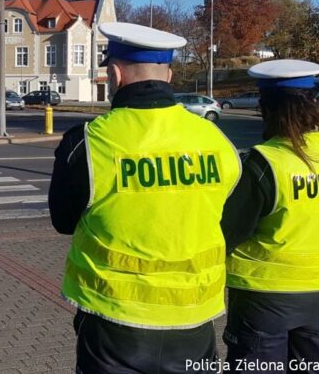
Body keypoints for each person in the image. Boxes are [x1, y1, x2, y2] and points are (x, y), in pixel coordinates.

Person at [49, 22, 242, 374]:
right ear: (168, 75)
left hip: (112, 322)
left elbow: (63, 222)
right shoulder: (217, 141)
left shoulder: (88, 141)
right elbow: (227, 221)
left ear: (116, 74)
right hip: (195, 319)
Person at [221, 59, 319, 374]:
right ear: (312, 103)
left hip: (264, 297)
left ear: (266, 108)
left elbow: (228, 232)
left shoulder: (264, 162)